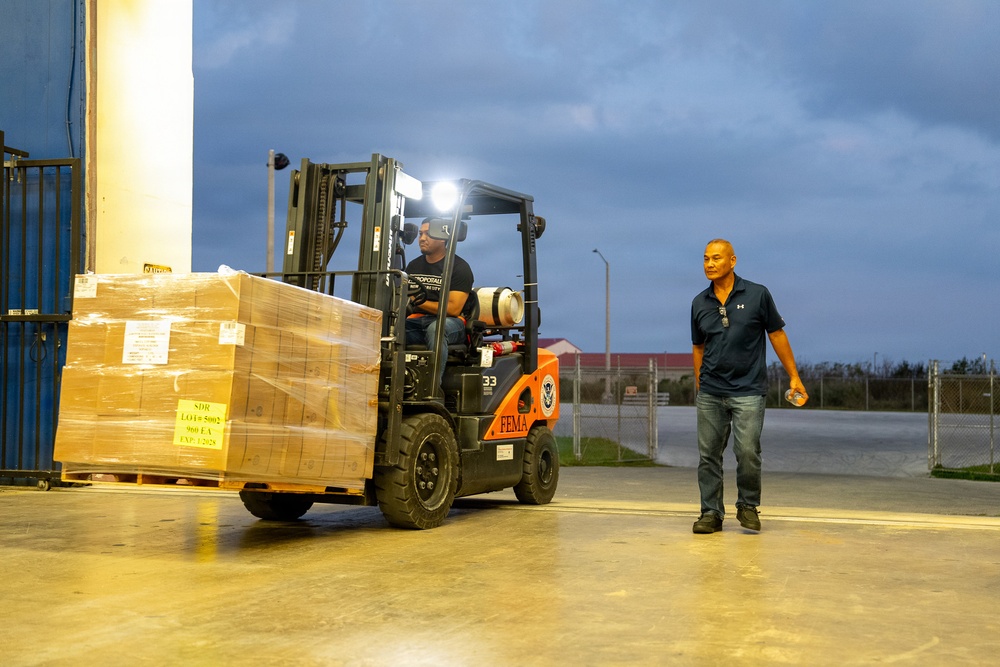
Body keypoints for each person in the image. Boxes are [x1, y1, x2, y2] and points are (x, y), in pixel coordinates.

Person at [690, 239, 807, 534]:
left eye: (716, 258)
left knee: (747, 452)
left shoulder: (757, 295)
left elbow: (777, 336)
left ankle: (748, 506)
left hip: (749, 391)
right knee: (708, 457)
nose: (709, 264)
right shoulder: (699, 303)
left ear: (732, 261)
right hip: (711, 392)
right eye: (705, 259)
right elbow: (698, 347)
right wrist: (699, 384)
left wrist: (794, 375)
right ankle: (711, 513)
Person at [404, 218, 475, 387]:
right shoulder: (413, 267)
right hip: (416, 322)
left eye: (428, 234)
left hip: (451, 323)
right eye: (420, 233)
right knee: (387, 328)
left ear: (443, 237)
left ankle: (431, 388)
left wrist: (416, 302)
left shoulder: (459, 267)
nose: (421, 238)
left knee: (436, 329)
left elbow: (452, 309)